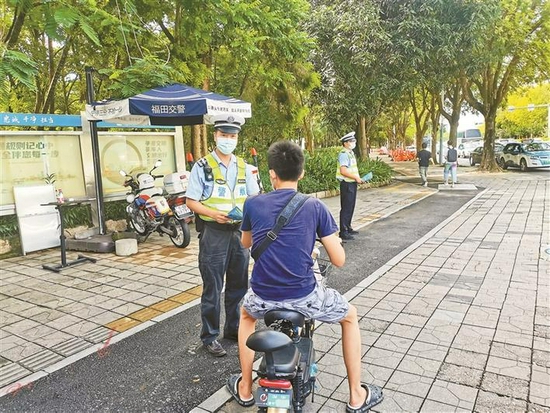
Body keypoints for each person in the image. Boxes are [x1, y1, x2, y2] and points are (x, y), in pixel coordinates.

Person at [226, 141, 384, 413]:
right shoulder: (314, 206)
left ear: (271, 174)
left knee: (245, 316)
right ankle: (357, 395)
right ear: (301, 173)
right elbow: (339, 260)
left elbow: (245, 243)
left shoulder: (252, 203)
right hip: (305, 297)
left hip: (262, 296)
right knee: (350, 316)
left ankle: (245, 388)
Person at [185, 114, 260, 357]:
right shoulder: (202, 166)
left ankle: (233, 327)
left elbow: (253, 197)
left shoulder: (244, 166)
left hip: (239, 232)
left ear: (237, 138)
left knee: (238, 285)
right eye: (224, 135)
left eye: (232, 136)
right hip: (214, 233)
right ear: (215, 136)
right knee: (213, 287)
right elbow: (191, 201)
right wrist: (212, 214)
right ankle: (209, 336)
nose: (228, 139)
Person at [336, 132, 363, 240]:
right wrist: (356, 178)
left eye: (354, 141)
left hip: (352, 183)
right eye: (351, 141)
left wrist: (358, 178)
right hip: (347, 183)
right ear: (346, 143)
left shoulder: (350, 153)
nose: (354, 143)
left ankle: (348, 227)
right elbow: (343, 171)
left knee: (351, 206)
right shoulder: (344, 154)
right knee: (346, 207)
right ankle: (343, 231)